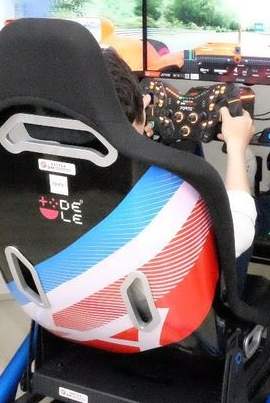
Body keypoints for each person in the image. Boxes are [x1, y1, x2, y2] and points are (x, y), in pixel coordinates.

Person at [102, 48, 257, 290]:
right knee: (257, 215)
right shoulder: (149, 211)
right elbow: (237, 235)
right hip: (157, 302)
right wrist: (236, 147)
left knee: (185, 145)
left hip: (68, 306)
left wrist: (137, 131)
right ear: (141, 110)